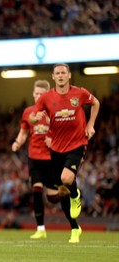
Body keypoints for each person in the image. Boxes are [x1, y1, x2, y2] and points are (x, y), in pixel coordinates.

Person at [30, 63, 100, 243]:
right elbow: (33, 115)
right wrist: (34, 117)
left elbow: (95, 103)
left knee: (66, 178)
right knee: (61, 191)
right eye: (57, 73)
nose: (60, 76)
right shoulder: (46, 97)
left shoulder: (79, 93)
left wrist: (90, 124)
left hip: (77, 143)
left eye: (63, 73)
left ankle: (76, 196)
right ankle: (75, 228)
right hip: (56, 148)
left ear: (69, 75)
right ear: (53, 77)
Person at [12, 80, 61, 239]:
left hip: (51, 158)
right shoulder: (28, 112)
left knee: (53, 198)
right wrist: (18, 142)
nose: (38, 96)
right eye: (36, 93)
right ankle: (41, 228)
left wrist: (53, 142)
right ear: (33, 94)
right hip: (34, 157)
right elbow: (24, 131)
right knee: (36, 189)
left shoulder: (55, 111)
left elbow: (64, 134)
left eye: (42, 94)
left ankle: (66, 192)